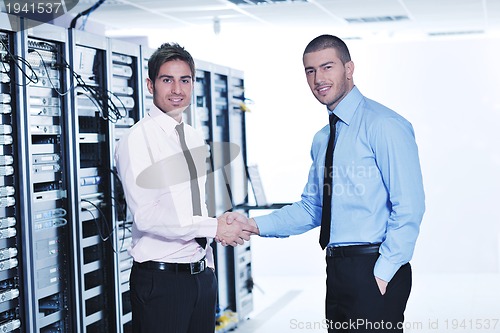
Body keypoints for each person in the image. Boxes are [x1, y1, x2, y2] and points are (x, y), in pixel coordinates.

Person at [221, 34, 425, 332]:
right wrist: (252, 225)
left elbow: (409, 206)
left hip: (374, 266)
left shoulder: (384, 125)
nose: (318, 78)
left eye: (327, 67)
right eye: (310, 70)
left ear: (349, 68)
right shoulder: (323, 139)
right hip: (337, 270)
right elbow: (312, 208)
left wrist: (383, 272)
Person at [114, 42, 257, 333]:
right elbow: (148, 216)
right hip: (162, 282)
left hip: (201, 277)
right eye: (167, 80)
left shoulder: (192, 137)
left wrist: (210, 264)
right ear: (150, 85)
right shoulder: (137, 140)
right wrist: (213, 228)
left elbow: (194, 205)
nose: (177, 89)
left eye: (185, 80)